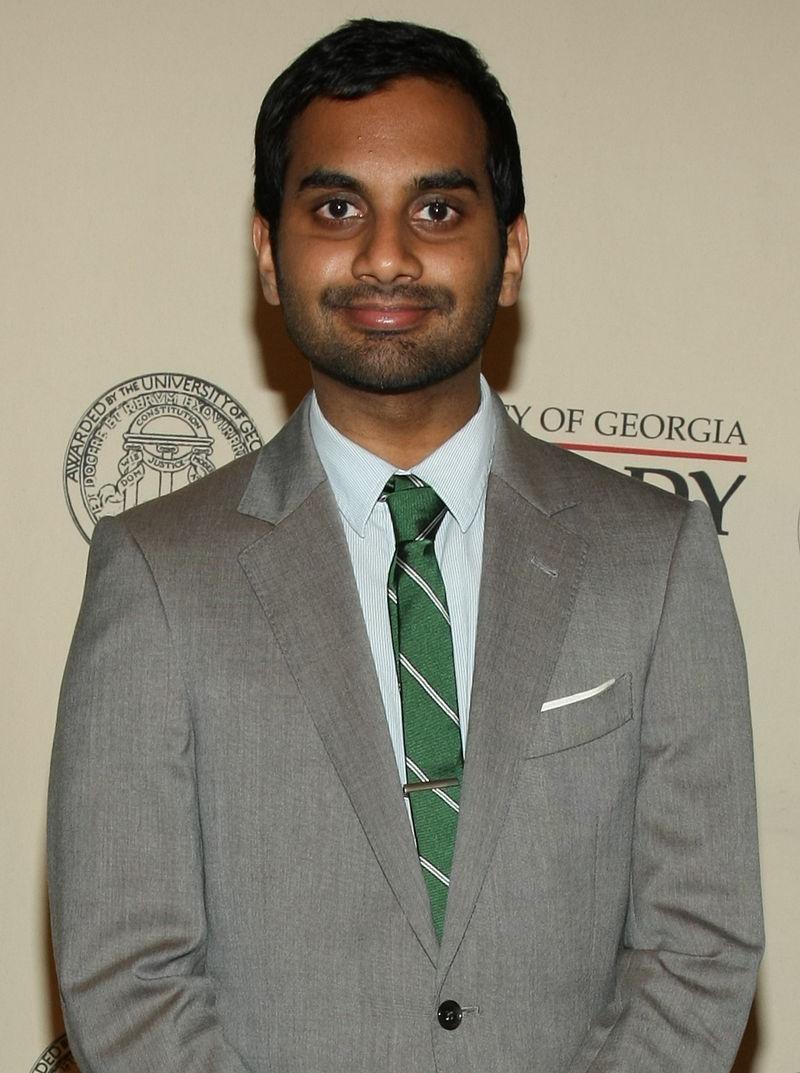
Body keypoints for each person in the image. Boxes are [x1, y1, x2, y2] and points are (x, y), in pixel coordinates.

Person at [48, 18, 763, 1073]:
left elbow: (697, 945)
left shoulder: (651, 559)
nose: (386, 253)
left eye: (435, 208)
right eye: (337, 207)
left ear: (509, 252)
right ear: (267, 251)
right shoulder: (156, 570)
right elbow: (127, 972)